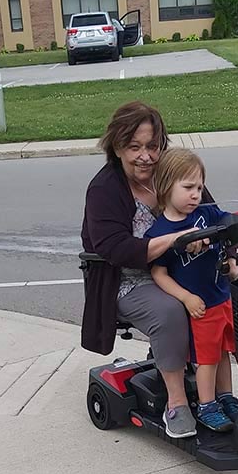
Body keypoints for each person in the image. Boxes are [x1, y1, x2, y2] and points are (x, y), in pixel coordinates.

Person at [81, 101, 210, 439]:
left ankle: (231, 394)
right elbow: (115, 249)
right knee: (171, 311)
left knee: (227, 296)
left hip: (180, 271)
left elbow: (209, 213)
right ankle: (177, 404)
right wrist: (176, 238)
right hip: (125, 279)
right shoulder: (104, 189)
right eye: (134, 147)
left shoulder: (173, 172)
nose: (146, 157)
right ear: (117, 146)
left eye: (152, 146)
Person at [145, 148, 238, 432]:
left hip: (222, 297)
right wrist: (186, 298)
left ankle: (225, 397)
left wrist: (234, 258)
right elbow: (159, 274)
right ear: (166, 186)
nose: (196, 195)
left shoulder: (207, 213)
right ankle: (206, 405)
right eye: (188, 187)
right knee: (207, 360)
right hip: (200, 307)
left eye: (199, 187)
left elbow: (230, 228)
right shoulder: (160, 233)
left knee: (224, 352)